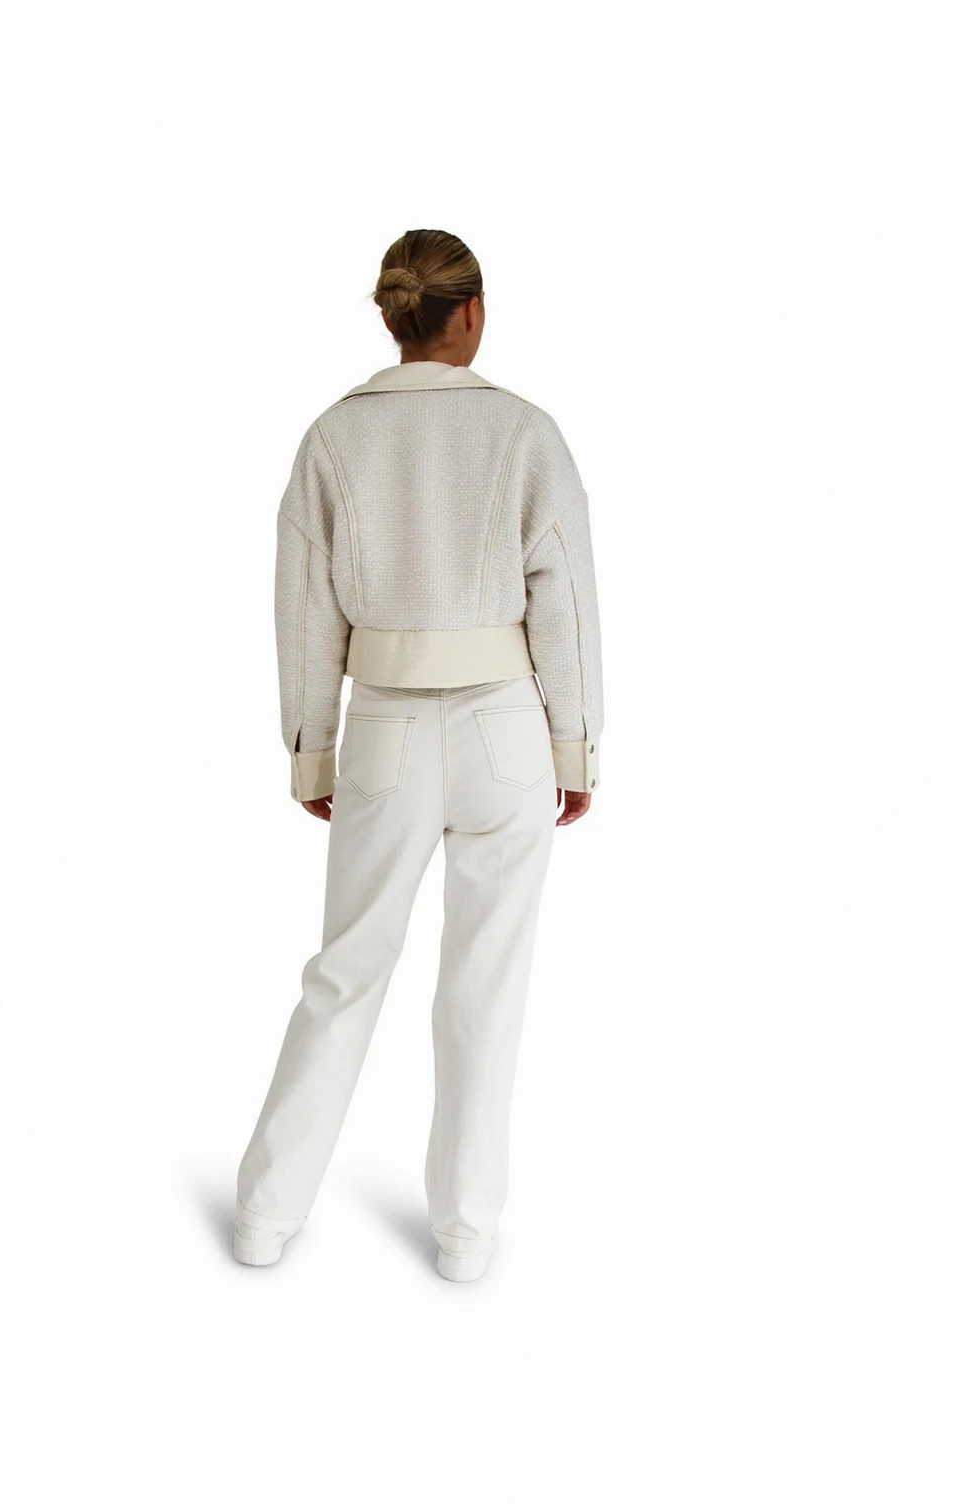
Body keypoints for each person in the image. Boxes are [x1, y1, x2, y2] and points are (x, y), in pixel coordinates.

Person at [234, 229, 604, 1281]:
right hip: (506, 730)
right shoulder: (526, 433)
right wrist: (574, 745)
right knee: (487, 984)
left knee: (345, 971)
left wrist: (313, 753)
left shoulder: (331, 440)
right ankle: (466, 1233)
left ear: (394, 316)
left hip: (385, 727)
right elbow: (566, 604)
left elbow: (305, 614)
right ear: (472, 312)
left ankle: (265, 1217)